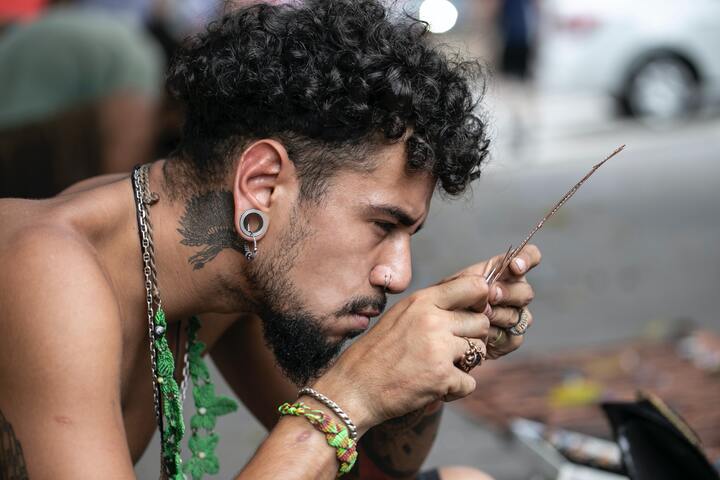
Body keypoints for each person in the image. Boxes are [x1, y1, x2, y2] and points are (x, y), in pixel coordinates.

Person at [0, 1, 540, 479]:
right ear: (260, 186)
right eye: (382, 226)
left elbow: (370, 471)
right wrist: (346, 396)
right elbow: (336, 422)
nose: (397, 275)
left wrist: (431, 360)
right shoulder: (49, 274)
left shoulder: (234, 270)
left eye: (409, 234)